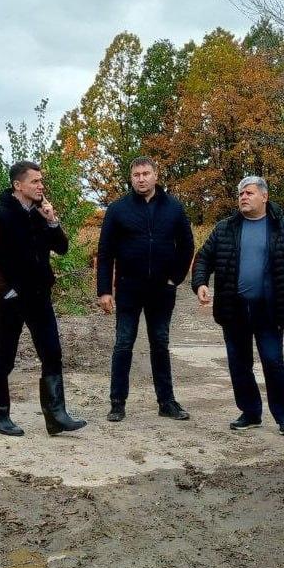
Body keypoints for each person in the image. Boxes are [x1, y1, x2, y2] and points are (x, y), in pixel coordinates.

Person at [191, 176, 284, 435]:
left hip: (269, 311)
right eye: (241, 193)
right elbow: (204, 257)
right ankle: (250, 412)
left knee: (273, 361)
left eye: (249, 193)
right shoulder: (226, 228)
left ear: (264, 197)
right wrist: (200, 282)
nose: (243, 197)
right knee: (238, 363)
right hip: (234, 310)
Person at [0, 161, 87, 437]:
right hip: (13, 301)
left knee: (52, 354)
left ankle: (56, 416)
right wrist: (7, 290)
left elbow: (62, 248)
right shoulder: (1, 217)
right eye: (35, 181)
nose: (41, 186)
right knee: (5, 357)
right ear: (18, 185)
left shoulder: (40, 215)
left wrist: (52, 221)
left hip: (40, 297)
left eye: (41, 181)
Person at [97, 157, 196, 422]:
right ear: (131, 178)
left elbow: (187, 246)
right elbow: (105, 253)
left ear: (155, 176)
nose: (141, 179)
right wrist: (104, 290)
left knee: (160, 344)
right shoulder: (118, 209)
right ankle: (117, 403)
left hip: (162, 291)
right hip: (129, 288)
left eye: (146, 173)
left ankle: (167, 402)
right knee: (123, 344)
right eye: (136, 174)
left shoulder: (173, 207)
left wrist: (175, 279)